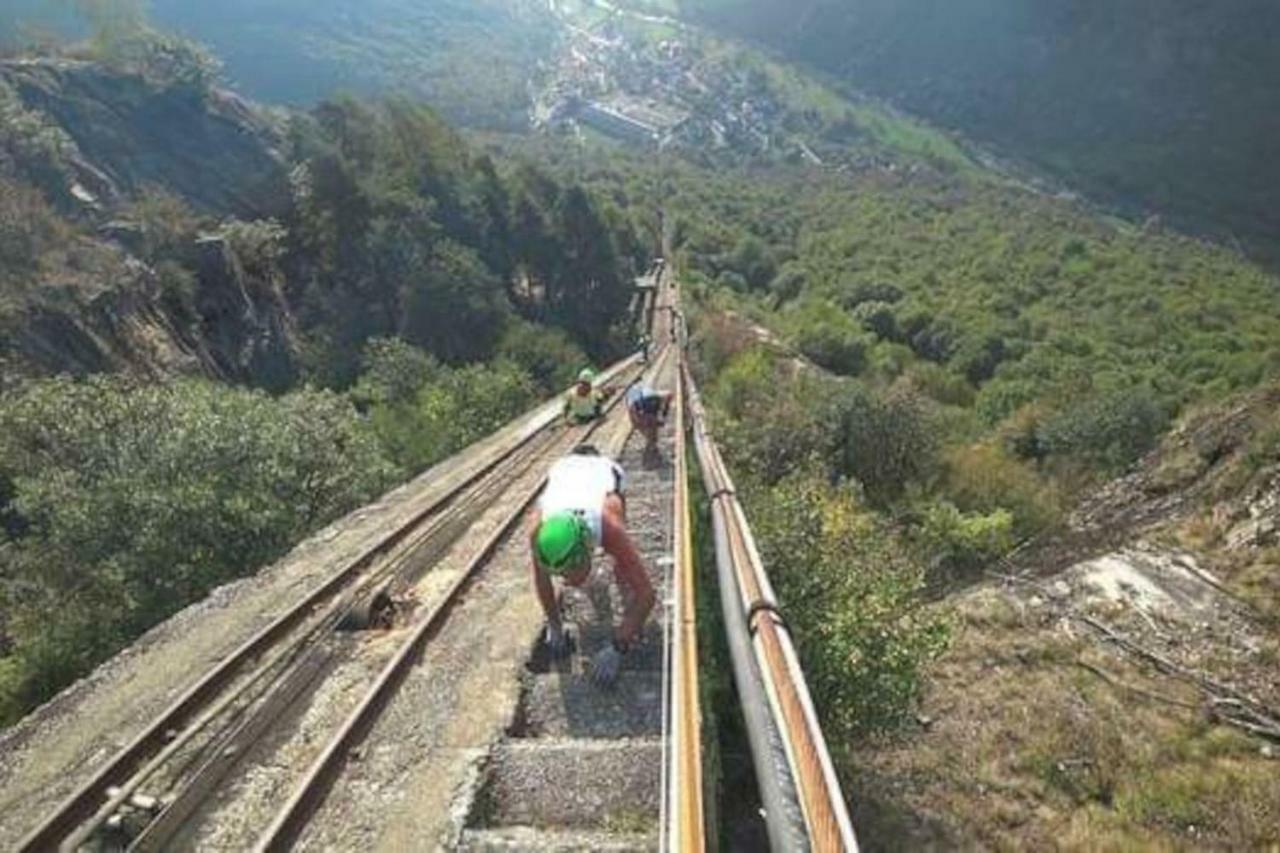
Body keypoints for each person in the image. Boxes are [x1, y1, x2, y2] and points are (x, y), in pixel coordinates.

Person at [529, 447, 655, 688]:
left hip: (603, 473)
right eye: (560, 573)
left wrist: (619, 645)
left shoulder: (610, 526)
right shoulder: (538, 531)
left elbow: (647, 595)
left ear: (588, 549)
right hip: (564, 470)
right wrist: (555, 625)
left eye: (569, 571)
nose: (565, 580)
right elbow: (542, 580)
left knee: (624, 570)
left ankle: (623, 583)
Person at [625, 383, 673, 461]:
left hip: (645, 402)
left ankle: (651, 448)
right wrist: (664, 413)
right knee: (650, 429)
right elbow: (669, 394)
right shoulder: (636, 397)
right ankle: (652, 447)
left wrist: (664, 413)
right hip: (647, 402)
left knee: (648, 429)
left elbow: (632, 412)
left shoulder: (633, 397)